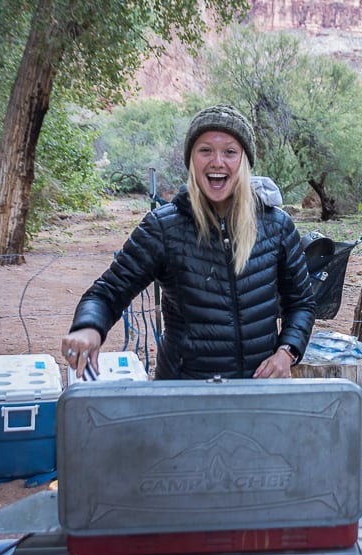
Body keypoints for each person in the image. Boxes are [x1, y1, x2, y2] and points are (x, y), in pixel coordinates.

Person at [62, 104, 316, 380]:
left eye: (230, 152)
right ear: (191, 159)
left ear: (243, 162)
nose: (217, 161)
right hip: (184, 392)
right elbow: (107, 293)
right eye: (205, 150)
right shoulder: (162, 227)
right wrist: (88, 327)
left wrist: (287, 352)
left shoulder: (276, 226)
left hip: (257, 390)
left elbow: (301, 302)